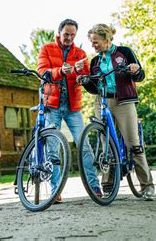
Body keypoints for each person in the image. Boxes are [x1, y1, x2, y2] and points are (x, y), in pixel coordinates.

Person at [80, 23, 155, 200]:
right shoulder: (96, 61)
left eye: (96, 42)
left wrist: (136, 70)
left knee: (133, 144)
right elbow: (93, 87)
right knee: (106, 144)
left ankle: (147, 186)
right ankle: (109, 183)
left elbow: (140, 75)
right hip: (102, 101)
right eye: (92, 43)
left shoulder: (125, 52)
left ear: (106, 40)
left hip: (124, 101)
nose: (93, 46)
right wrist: (85, 81)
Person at [37, 18, 101, 202]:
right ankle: (56, 190)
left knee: (84, 145)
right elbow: (43, 72)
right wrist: (61, 71)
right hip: (52, 105)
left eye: (73, 35)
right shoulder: (47, 49)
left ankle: (93, 186)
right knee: (53, 147)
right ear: (59, 33)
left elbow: (86, 78)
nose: (69, 38)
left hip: (73, 107)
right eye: (66, 34)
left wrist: (82, 75)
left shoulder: (80, 53)